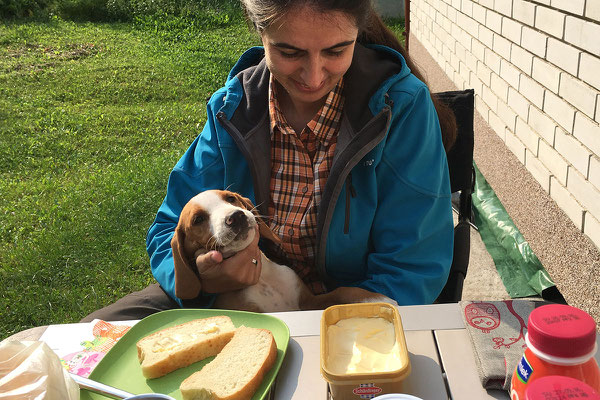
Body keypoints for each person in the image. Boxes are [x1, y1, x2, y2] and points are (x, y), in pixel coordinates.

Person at [81, 0, 456, 322]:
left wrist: (336, 324)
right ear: (258, 31)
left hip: (343, 309)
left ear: (359, 32)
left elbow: (412, 266)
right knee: (89, 338)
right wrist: (204, 279)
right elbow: (168, 230)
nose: (313, 76)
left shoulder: (400, 109)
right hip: (228, 303)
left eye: (336, 50)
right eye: (290, 52)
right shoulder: (233, 108)